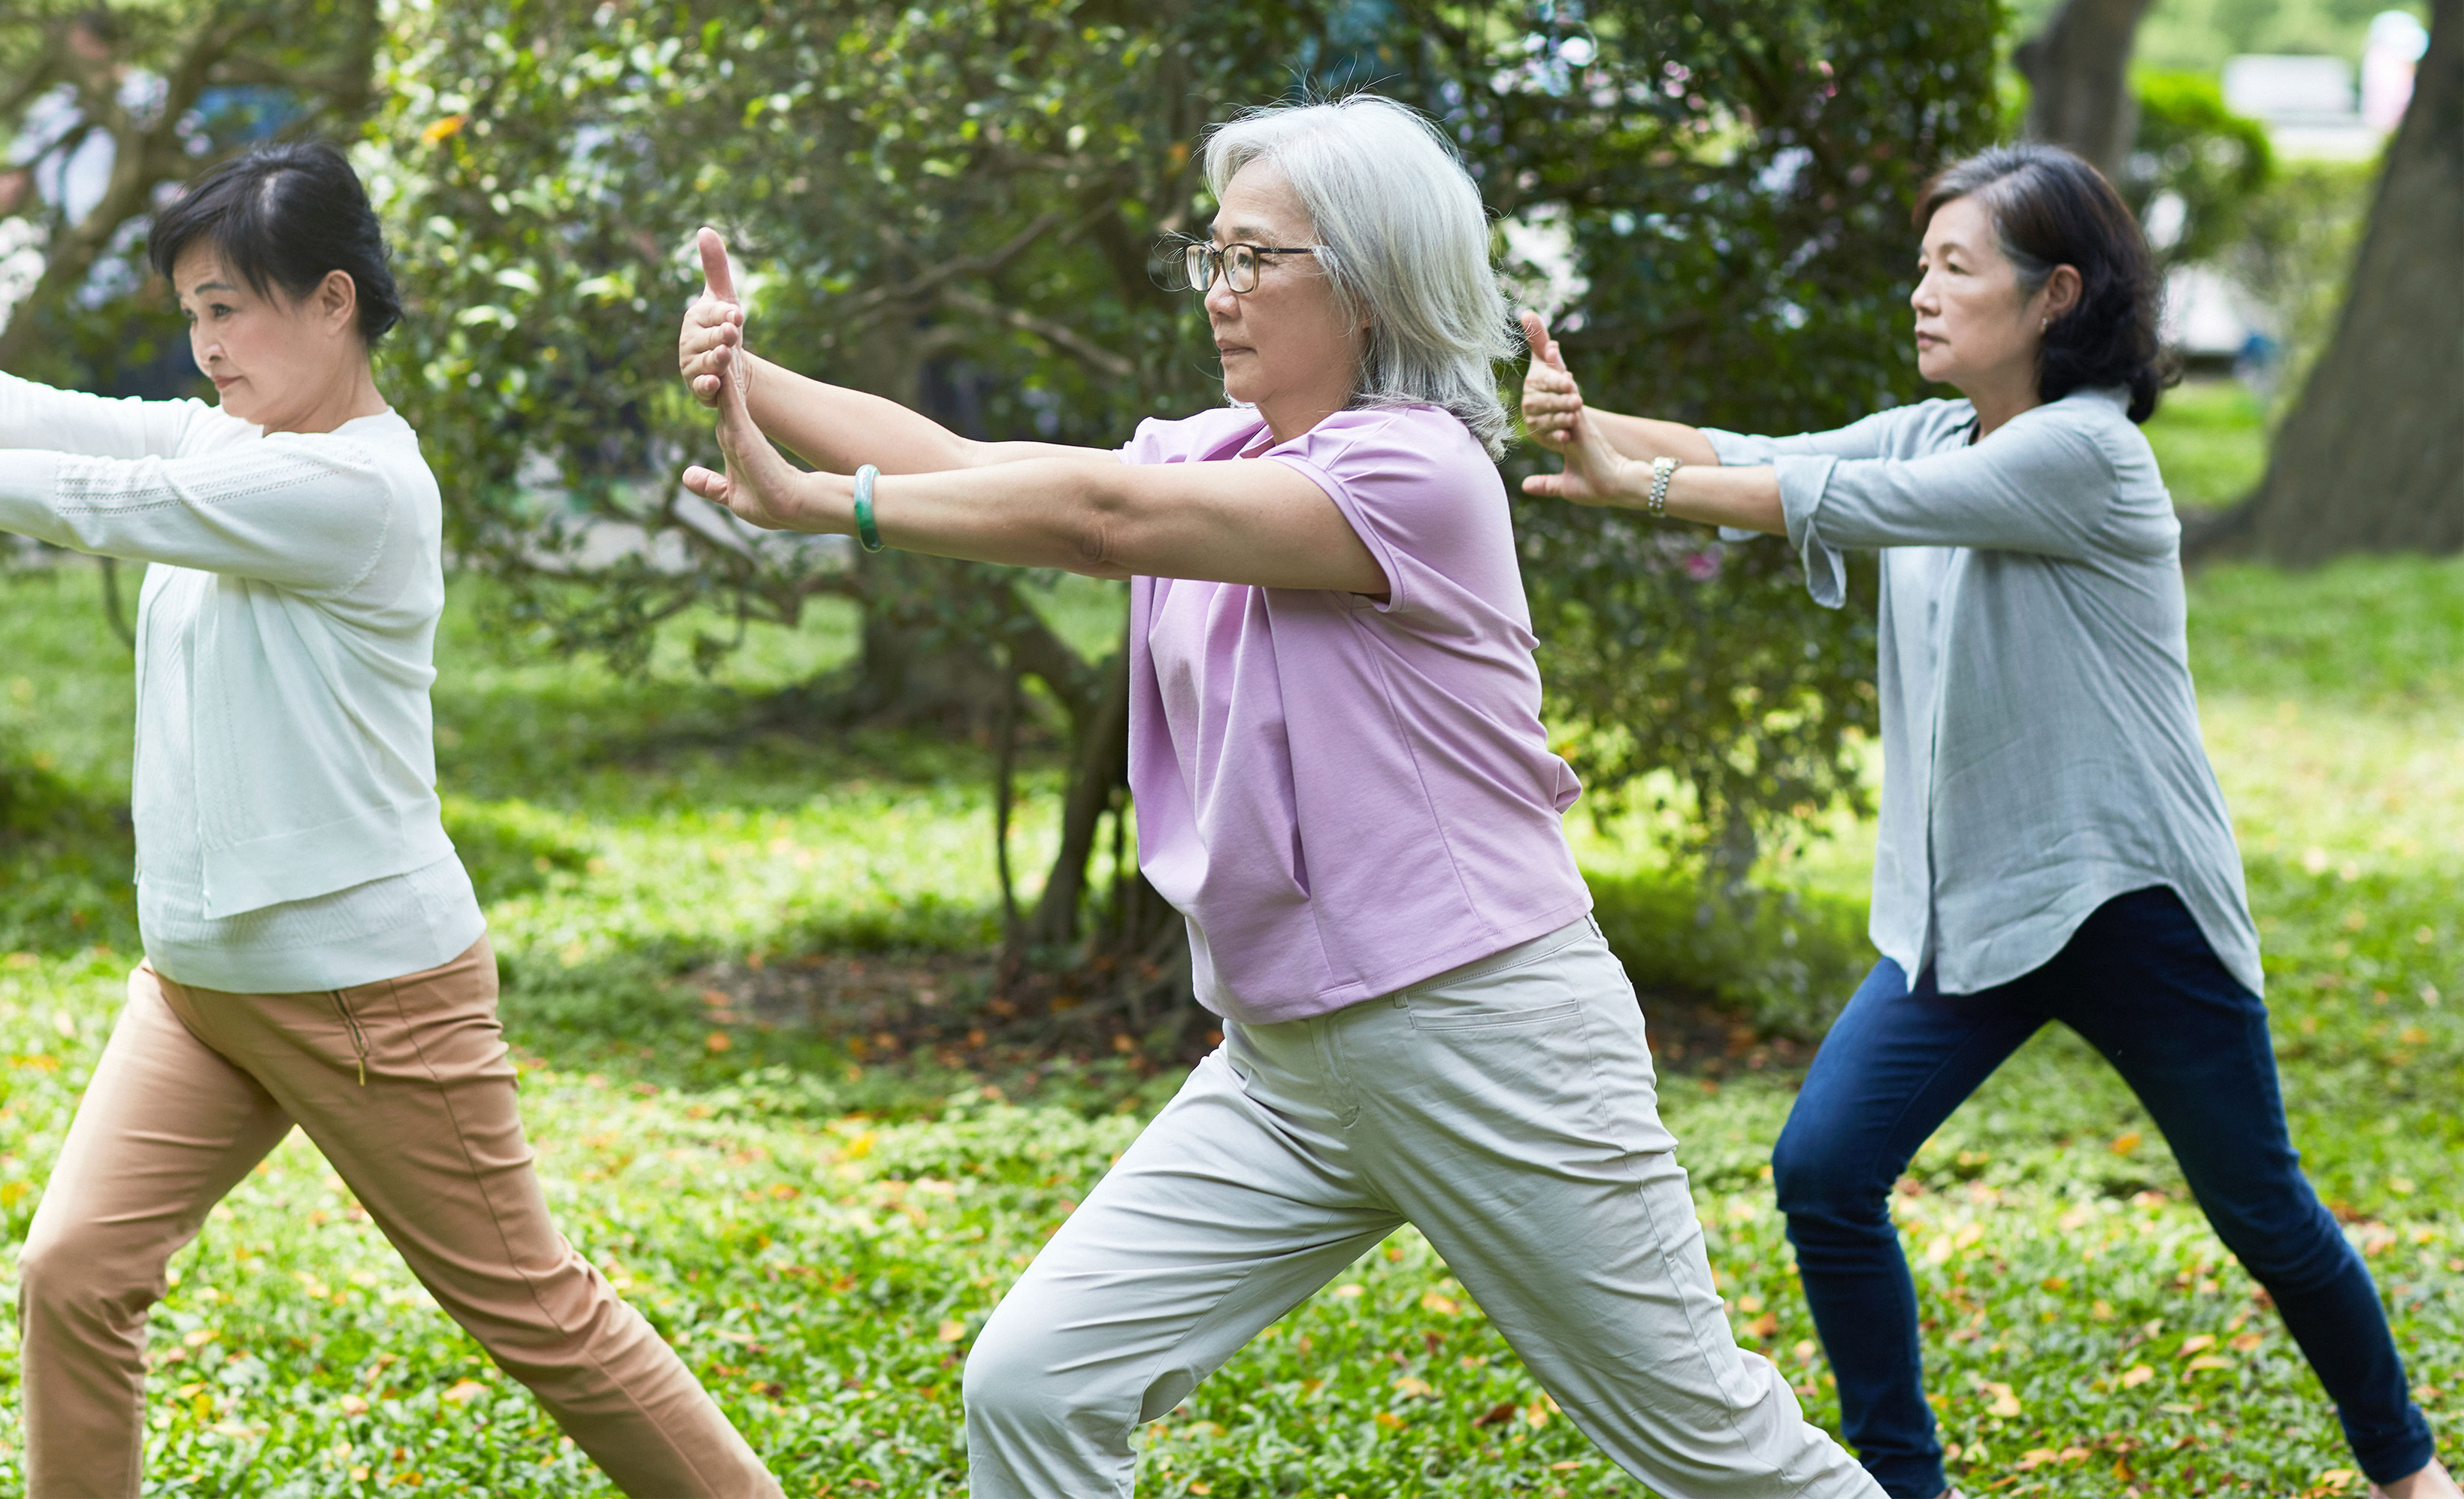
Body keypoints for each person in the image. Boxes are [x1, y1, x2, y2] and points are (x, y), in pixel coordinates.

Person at [674, 94, 1881, 1499]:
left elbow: (1096, 523)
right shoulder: (1230, 452)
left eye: (1259, 260)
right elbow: (983, 466)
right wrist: (754, 381)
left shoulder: (1417, 470)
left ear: (1366, 288)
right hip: (1287, 1063)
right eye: (1216, 258)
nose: (1223, 293)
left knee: (1721, 1456)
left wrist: (826, 506)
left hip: (1480, 1028)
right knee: (1035, 1383)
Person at [0, 142, 779, 1499]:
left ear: (333, 301)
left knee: (543, 1320)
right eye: (192, 315)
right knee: (76, 1272)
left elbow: (103, 501)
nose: (205, 345)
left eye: (229, 309)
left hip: (369, 995)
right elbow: (27, 413)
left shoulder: (355, 489)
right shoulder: (235, 438)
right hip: (202, 986)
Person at [1515, 141, 2453, 1499]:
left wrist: (1625, 477)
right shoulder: (1936, 431)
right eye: (1922, 266)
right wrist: (1587, 425)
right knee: (1825, 1172)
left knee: (2263, 1211)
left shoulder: (2088, 459)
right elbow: (1759, 456)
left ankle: (2410, 1476)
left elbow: (1830, 503)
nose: (1923, 294)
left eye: (1956, 269)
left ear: (2054, 295)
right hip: (1969, 912)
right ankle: (1908, 1487)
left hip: (2132, 905)